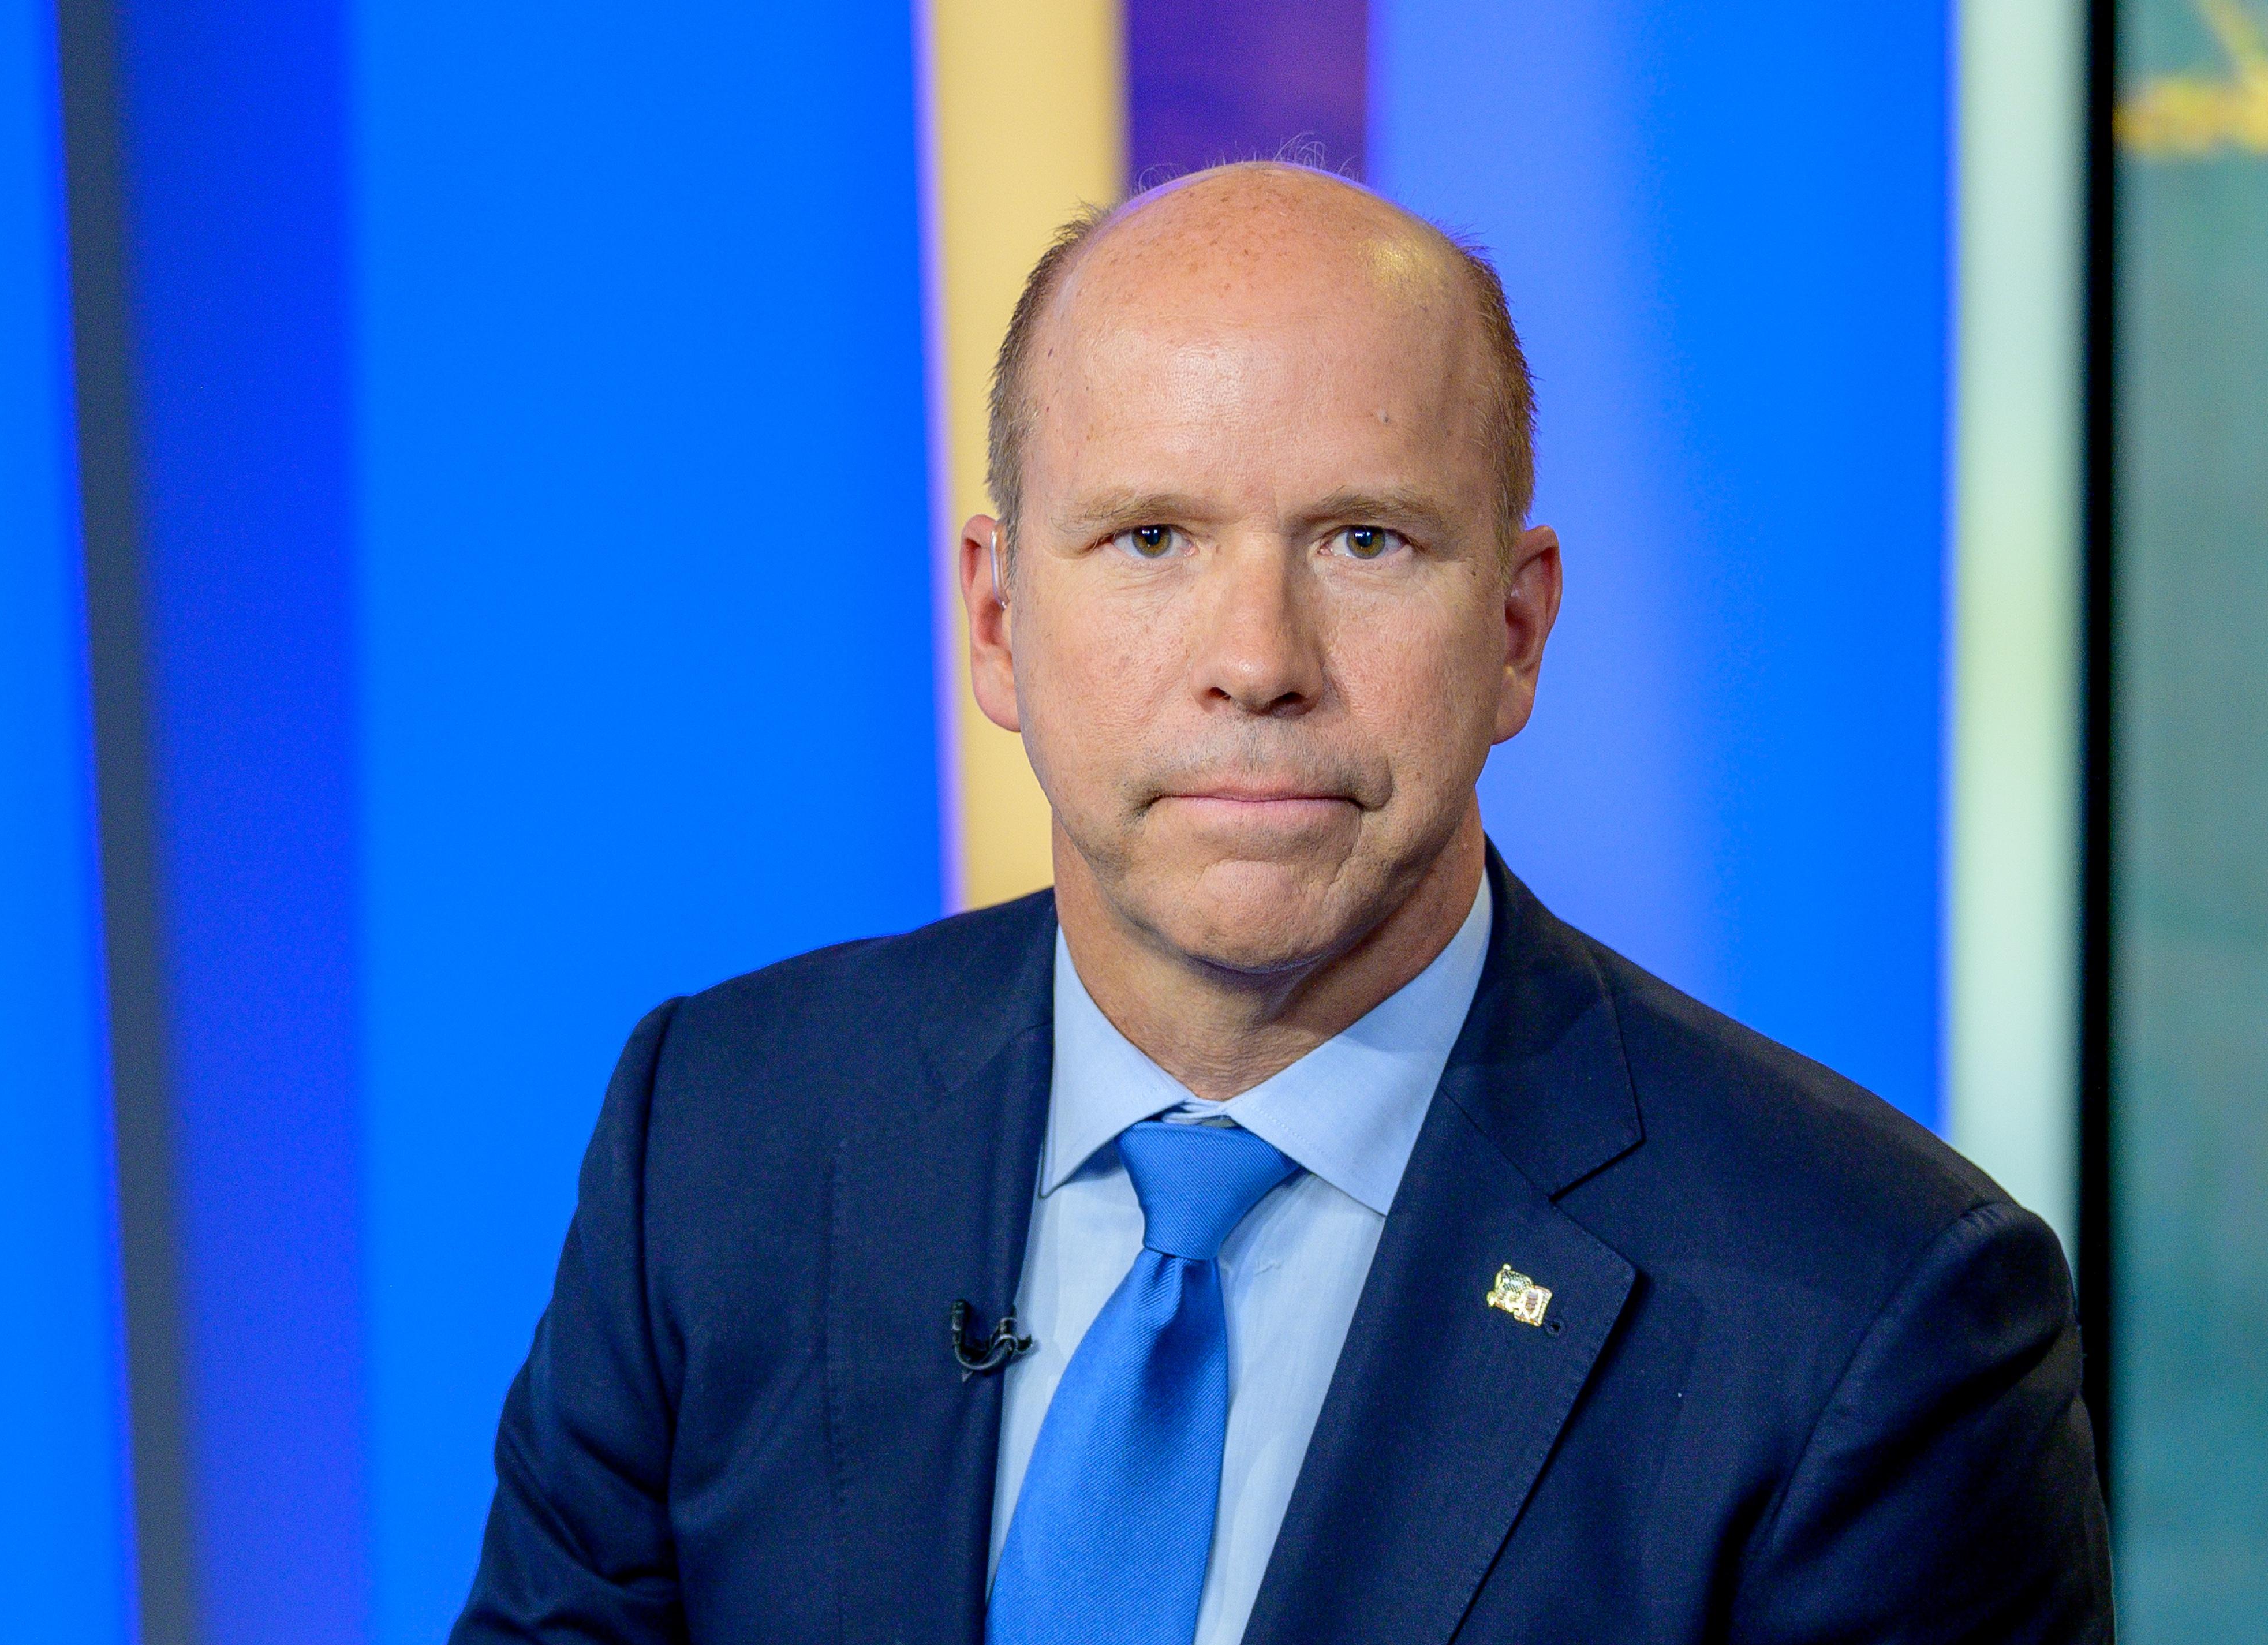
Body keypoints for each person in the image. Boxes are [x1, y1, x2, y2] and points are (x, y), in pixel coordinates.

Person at [453, 163, 2112, 1644]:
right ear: (994, 616)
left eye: (1366, 540)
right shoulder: (724, 1133)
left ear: (1519, 630)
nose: (1257, 660)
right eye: (1152, 535)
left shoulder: (1873, 1317)